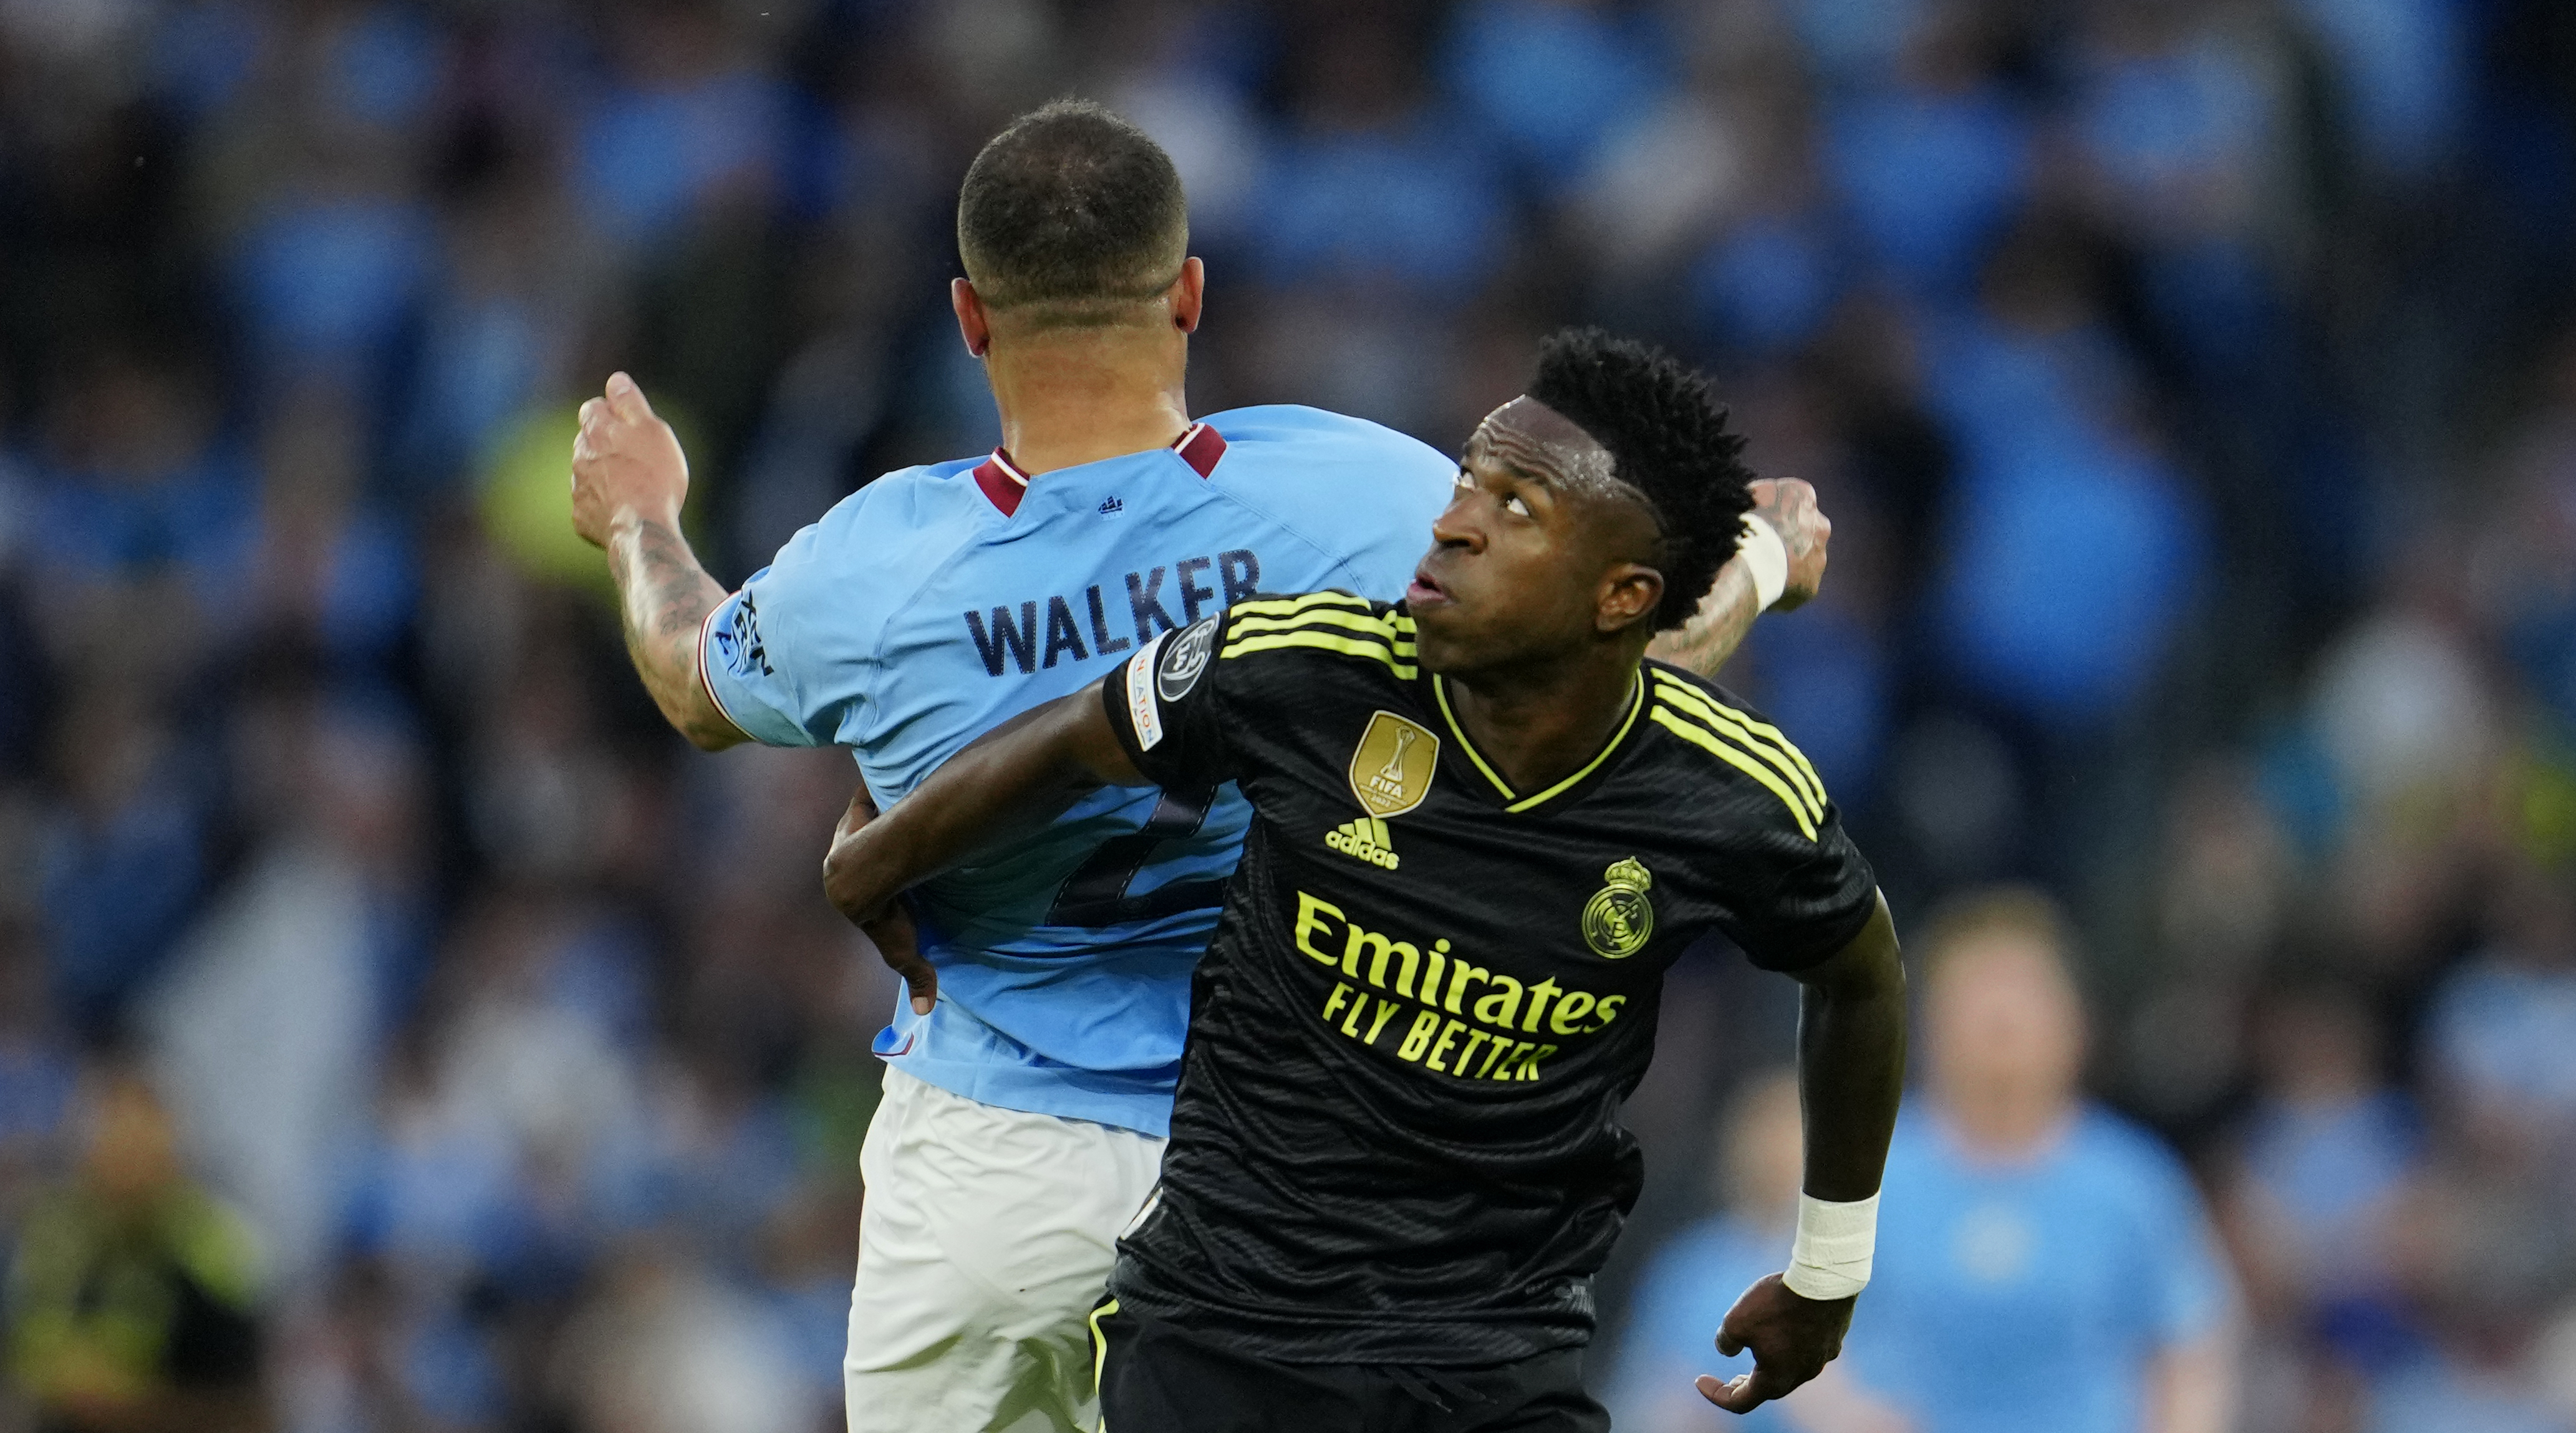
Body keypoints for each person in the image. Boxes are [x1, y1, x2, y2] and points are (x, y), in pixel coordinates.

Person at [569, 103, 1832, 1432]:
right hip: (1280, 1181)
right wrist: (1760, 560)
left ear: (969, 316)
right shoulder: (1363, 497)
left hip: (988, 1181)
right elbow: (1621, 660)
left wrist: (643, 513)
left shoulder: (871, 564)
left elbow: (691, 673)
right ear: (1188, 292)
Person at [826, 328, 1907, 1431]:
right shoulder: (1297, 670)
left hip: (1498, 1358)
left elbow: (1862, 976)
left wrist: (1828, 1270)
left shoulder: (1729, 795)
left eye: (1515, 507)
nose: (1451, 522)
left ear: (1624, 594)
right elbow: (1072, 738)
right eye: (1467, 480)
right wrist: (871, 867)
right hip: (1226, 1338)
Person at [1808, 890, 2239, 1433]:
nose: (2000, 1018)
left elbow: (2192, 1350)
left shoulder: (2132, 1184)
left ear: (2074, 1020)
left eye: (2023, 993)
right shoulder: (1856, 1176)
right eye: (1975, 995)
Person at [3, 1069, 271, 1433]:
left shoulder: (214, 1255)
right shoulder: (52, 1237)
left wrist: (131, 1411)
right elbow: (10, 1374)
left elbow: (253, 1412)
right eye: (111, 1145)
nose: (125, 1166)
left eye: (142, 1150)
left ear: (175, 1161)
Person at [1611, 1069, 1826, 1433]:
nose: (1775, 1152)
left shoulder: (1864, 1268)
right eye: (1763, 1133)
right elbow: (1641, 1393)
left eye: (1792, 1131)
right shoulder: (1689, 1269)